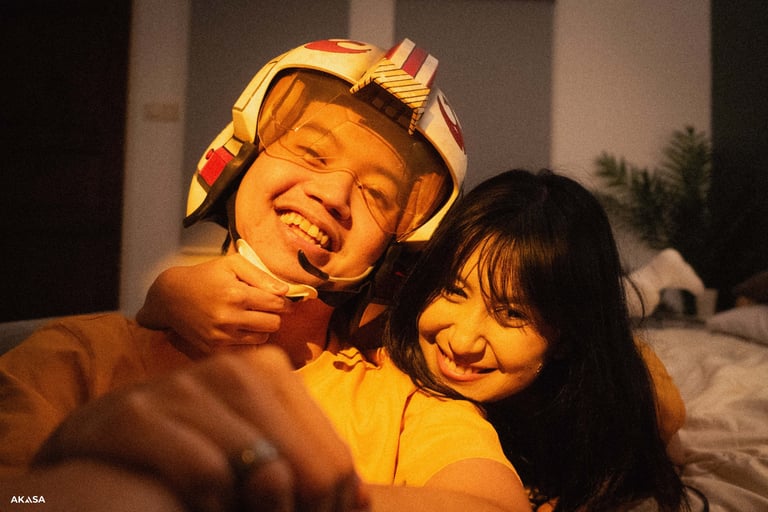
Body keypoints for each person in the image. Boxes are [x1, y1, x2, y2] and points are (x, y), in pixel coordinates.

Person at [23, 169, 687, 512]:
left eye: (512, 315)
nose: (463, 338)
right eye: (453, 290)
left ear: (568, 338)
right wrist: (165, 293)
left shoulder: (624, 400)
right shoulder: (391, 333)